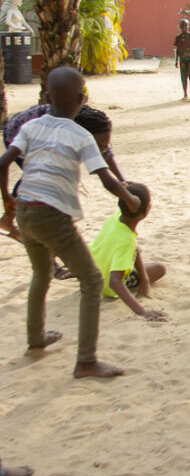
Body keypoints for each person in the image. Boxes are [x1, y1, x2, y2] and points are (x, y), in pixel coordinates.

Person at [0, 67, 140, 378]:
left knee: (40, 275)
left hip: (25, 210)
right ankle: (86, 361)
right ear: (82, 98)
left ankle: (36, 338)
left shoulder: (33, 126)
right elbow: (104, 177)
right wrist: (130, 199)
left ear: (47, 96)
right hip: (52, 217)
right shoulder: (80, 134)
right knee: (91, 281)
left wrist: (7, 200)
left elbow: (4, 161)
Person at [1, 104, 126, 278]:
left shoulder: (91, 125)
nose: (102, 149)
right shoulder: (61, 132)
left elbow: (104, 153)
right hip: (16, 133)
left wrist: (122, 180)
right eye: (99, 145)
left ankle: (7, 220)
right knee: (43, 192)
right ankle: (52, 265)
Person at [89, 182, 167, 321]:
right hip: (106, 287)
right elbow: (115, 282)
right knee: (159, 268)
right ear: (147, 210)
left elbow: (134, 249)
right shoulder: (126, 241)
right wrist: (141, 311)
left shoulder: (116, 218)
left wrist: (144, 280)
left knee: (136, 252)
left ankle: (143, 280)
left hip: (91, 276)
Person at [173, 18, 190, 101]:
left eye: (186, 26)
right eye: (182, 26)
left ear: (188, 26)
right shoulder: (178, 37)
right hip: (182, 60)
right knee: (183, 77)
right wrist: (176, 60)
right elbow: (178, 50)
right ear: (180, 27)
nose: (184, 28)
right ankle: (185, 94)